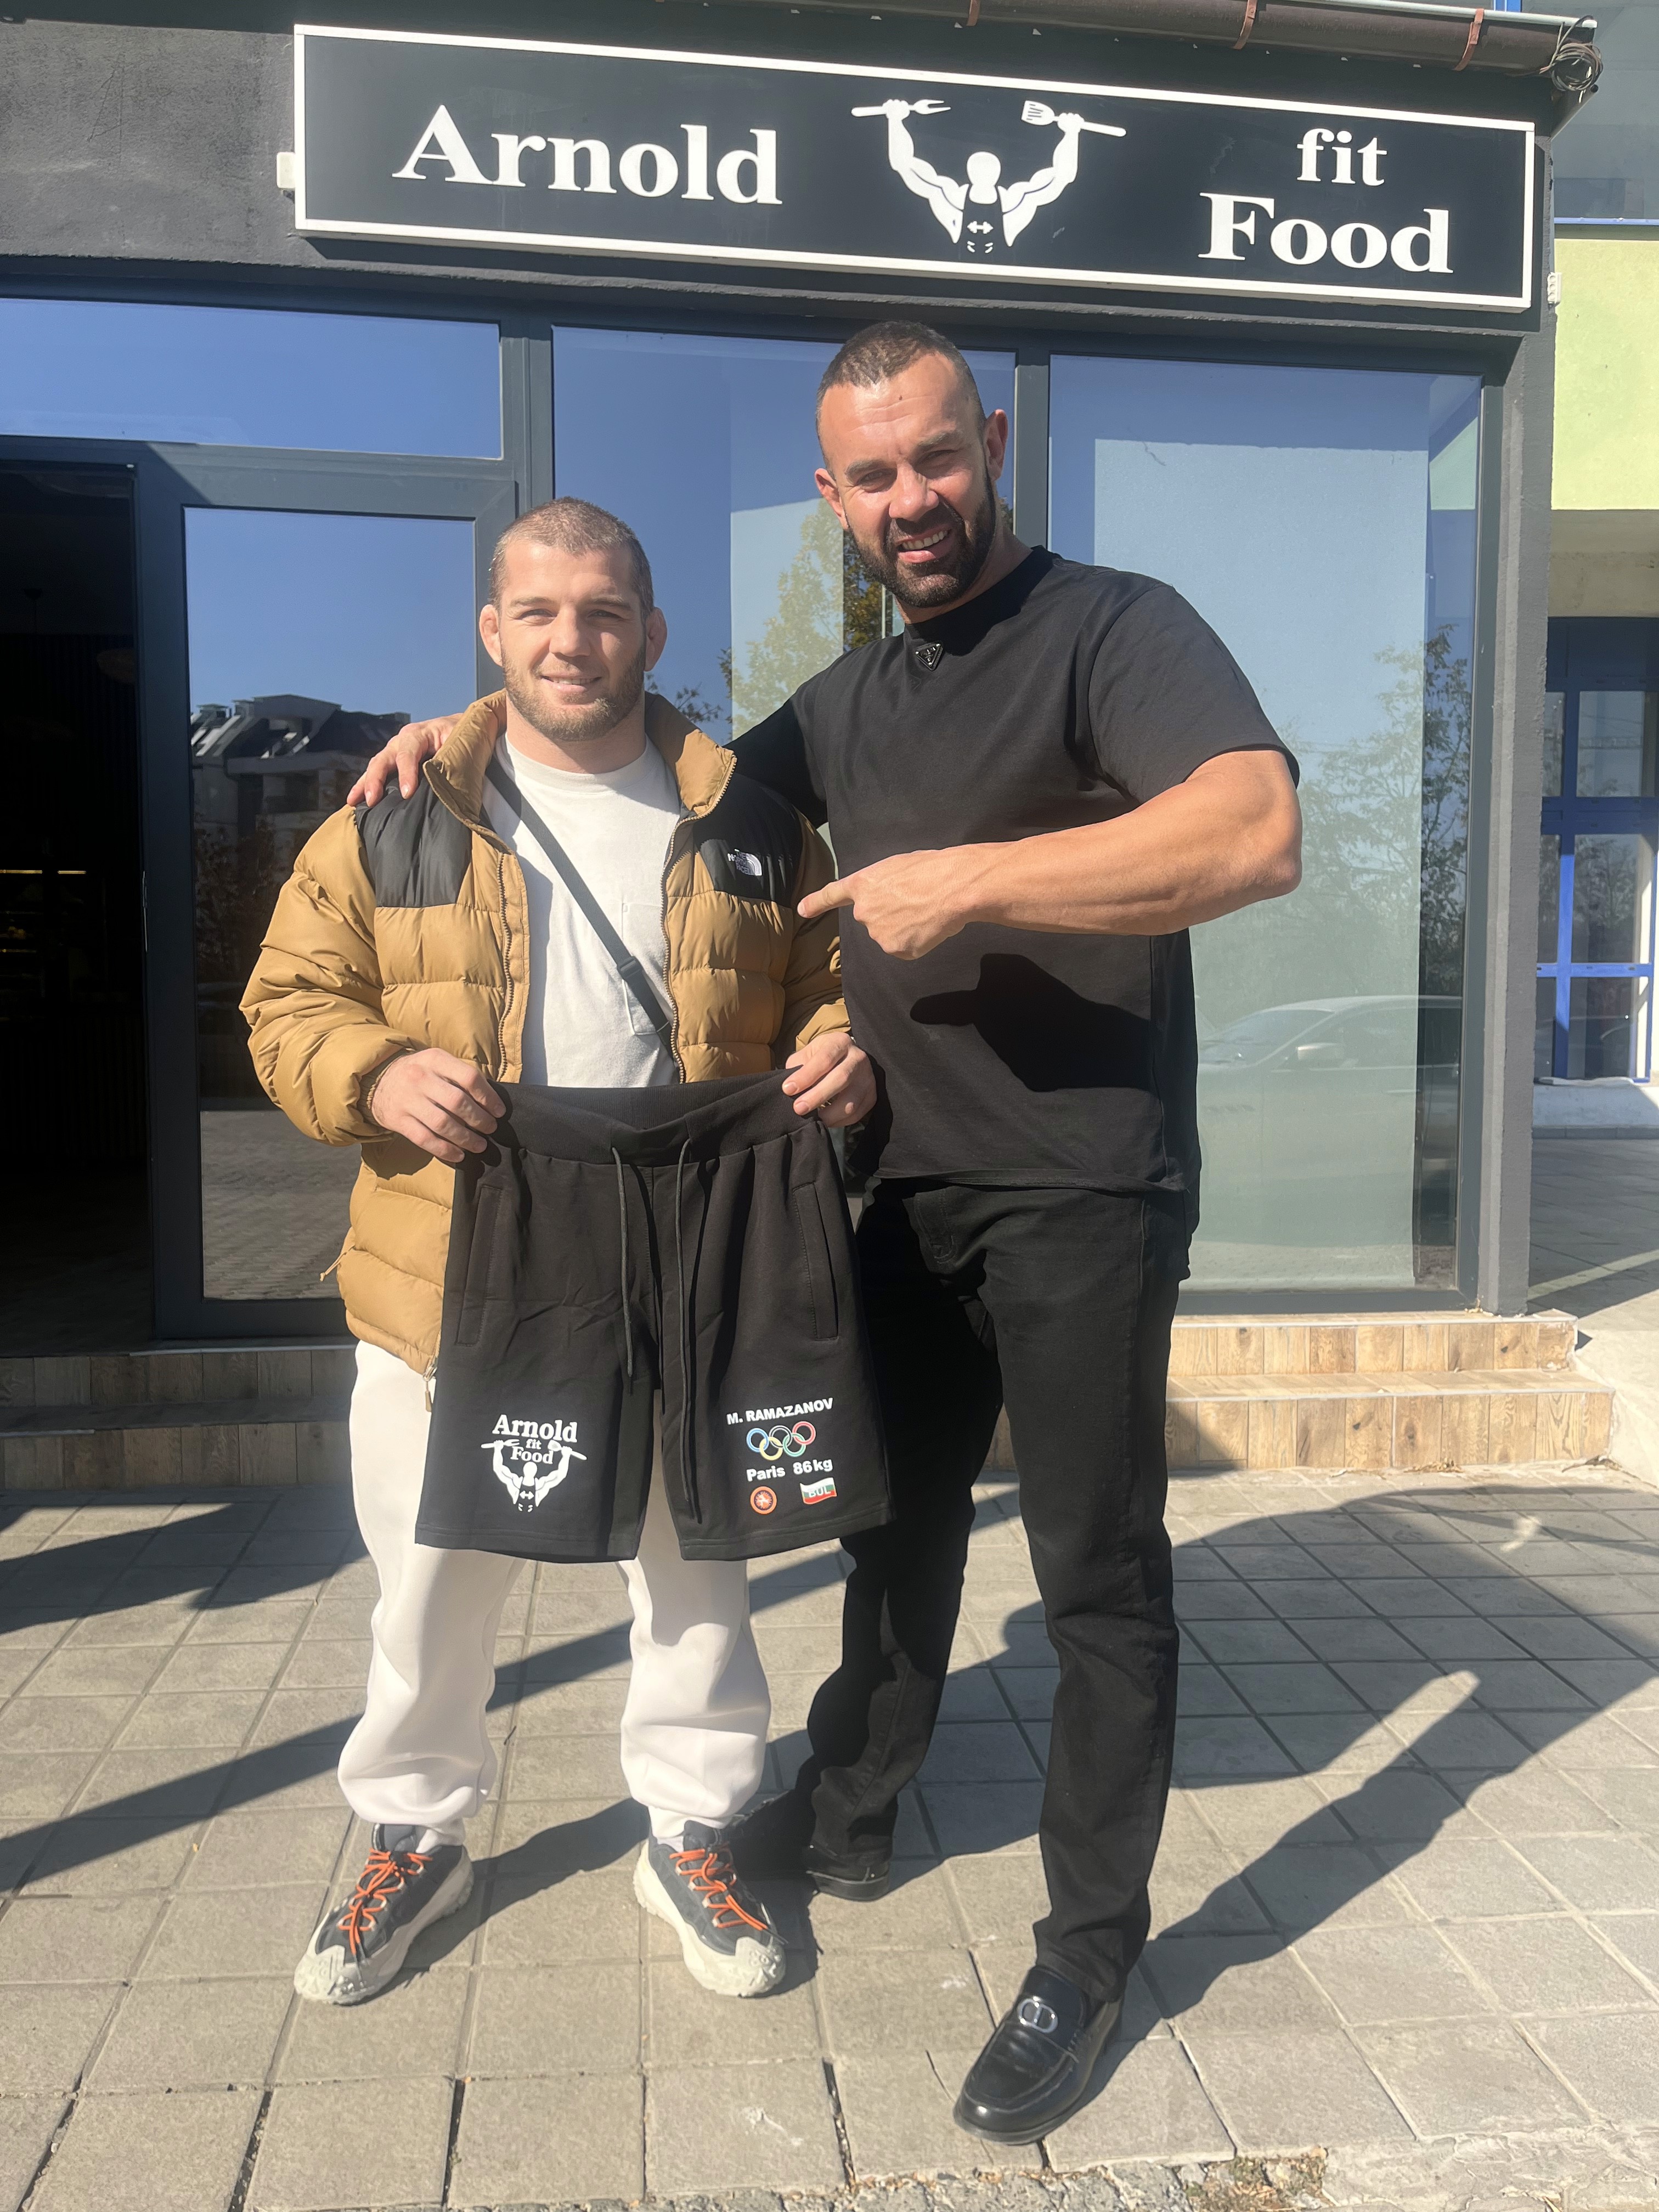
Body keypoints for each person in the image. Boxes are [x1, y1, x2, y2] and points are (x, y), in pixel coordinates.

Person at [351, 322, 1302, 2138]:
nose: (910, 499)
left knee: (1098, 1581)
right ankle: (854, 1811)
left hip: (1083, 1187)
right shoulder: (845, 701)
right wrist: (453, 747)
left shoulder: (1113, 629)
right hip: (882, 1187)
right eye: (872, 477)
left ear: (990, 441)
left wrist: (976, 882)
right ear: (832, 496)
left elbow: (1254, 833)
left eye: (935, 458)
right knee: (891, 1530)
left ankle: (1091, 1949)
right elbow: (642, 767)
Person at [244, 496, 874, 2009]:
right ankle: (414, 1833)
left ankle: (695, 1826)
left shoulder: (753, 822)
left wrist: (845, 1043)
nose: (570, 641)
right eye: (537, 612)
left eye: (601, 613)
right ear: (492, 631)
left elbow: (830, 977)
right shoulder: (390, 819)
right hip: (450, 1273)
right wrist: (375, 1072)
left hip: (691, 1268)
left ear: (651, 632)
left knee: (696, 1564)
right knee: (428, 1580)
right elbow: (286, 1006)